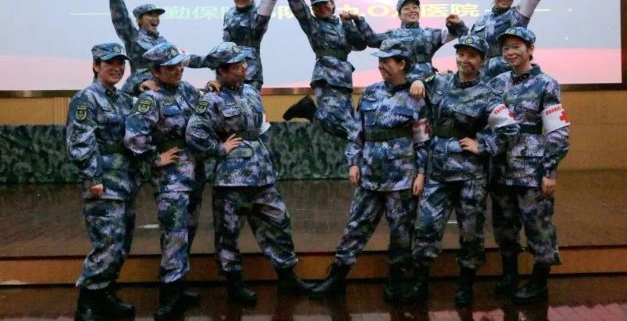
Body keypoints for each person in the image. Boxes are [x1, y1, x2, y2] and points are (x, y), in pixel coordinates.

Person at [185, 42, 311, 304]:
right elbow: (194, 133)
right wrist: (218, 149)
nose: (244, 67)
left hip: (261, 174)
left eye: (243, 63)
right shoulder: (211, 99)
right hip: (231, 179)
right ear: (222, 70)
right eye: (237, 65)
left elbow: (261, 127)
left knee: (278, 221)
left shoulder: (252, 92)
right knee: (228, 231)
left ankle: (287, 277)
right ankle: (234, 283)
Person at [310, 39, 429, 303]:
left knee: (401, 232)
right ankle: (337, 278)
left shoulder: (417, 97)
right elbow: (357, 130)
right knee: (356, 226)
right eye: (380, 61)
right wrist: (353, 163)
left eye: (386, 61)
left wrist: (421, 173)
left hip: (402, 179)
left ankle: (397, 282)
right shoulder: (371, 92)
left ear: (402, 64)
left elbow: (422, 139)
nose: (381, 66)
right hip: (370, 176)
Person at [405, 35, 519, 308]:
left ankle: (465, 286)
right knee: (426, 227)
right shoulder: (439, 82)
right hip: (437, 173)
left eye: (472, 56)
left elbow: (510, 129)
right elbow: (414, 78)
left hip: (470, 176)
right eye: (461, 54)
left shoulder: (488, 95)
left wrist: (484, 145)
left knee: (470, 232)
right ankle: (419, 284)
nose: (465, 60)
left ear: (482, 61)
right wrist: (418, 80)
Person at [488, 27, 570, 303]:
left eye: (516, 47)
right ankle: (509, 275)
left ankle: (539, 281)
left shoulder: (546, 84)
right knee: (504, 226)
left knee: (538, 225)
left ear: (530, 49)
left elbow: (557, 132)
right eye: (506, 48)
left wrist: (550, 171)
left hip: (532, 170)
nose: (510, 52)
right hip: (501, 167)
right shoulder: (497, 83)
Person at [124, 42, 204, 320]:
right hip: (171, 179)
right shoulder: (150, 99)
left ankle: (179, 286)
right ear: (156, 71)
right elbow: (134, 137)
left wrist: (214, 86)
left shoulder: (188, 90)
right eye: (171, 68)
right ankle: (169, 295)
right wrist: (155, 159)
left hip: (195, 173)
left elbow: (205, 113)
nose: (178, 71)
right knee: (174, 233)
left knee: (188, 230)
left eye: (179, 66)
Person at [66, 43, 136, 320]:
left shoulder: (122, 99)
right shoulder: (86, 99)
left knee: (121, 244)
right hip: (103, 182)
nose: (117, 68)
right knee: (107, 243)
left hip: (125, 182)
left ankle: (105, 294)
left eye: (121, 63)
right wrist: (92, 177)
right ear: (96, 66)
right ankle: (87, 303)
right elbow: (80, 142)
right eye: (110, 63)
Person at [270, 0, 371, 140]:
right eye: (317, 6)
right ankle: (308, 110)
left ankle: (308, 109)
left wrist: (349, 23)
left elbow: (361, 45)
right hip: (326, 78)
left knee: (350, 126)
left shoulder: (342, 25)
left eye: (325, 3)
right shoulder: (313, 24)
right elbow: (298, 6)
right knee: (333, 123)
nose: (322, 8)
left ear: (332, 4)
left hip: (344, 80)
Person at [99, 0, 205, 95]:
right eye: (150, 15)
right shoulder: (133, 37)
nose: (155, 18)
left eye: (157, 15)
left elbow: (187, 59)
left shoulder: (163, 42)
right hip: (138, 90)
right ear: (139, 19)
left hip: (164, 90)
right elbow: (120, 11)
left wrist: (217, 61)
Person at [344, 0, 468, 97]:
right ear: (399, 15)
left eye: (415, 7)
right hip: (400, 89)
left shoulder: (430, 34)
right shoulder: (392, 35)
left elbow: (461, 35)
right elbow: (372, 40)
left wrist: (458, 24)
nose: (412, 10)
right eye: (406, 8)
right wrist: (359, 20)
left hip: (428, 87)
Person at [222, 0, 279, 90]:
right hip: (229, 74)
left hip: (250, 74)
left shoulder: (259, 13)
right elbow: (224, 46)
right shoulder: (228, 14)